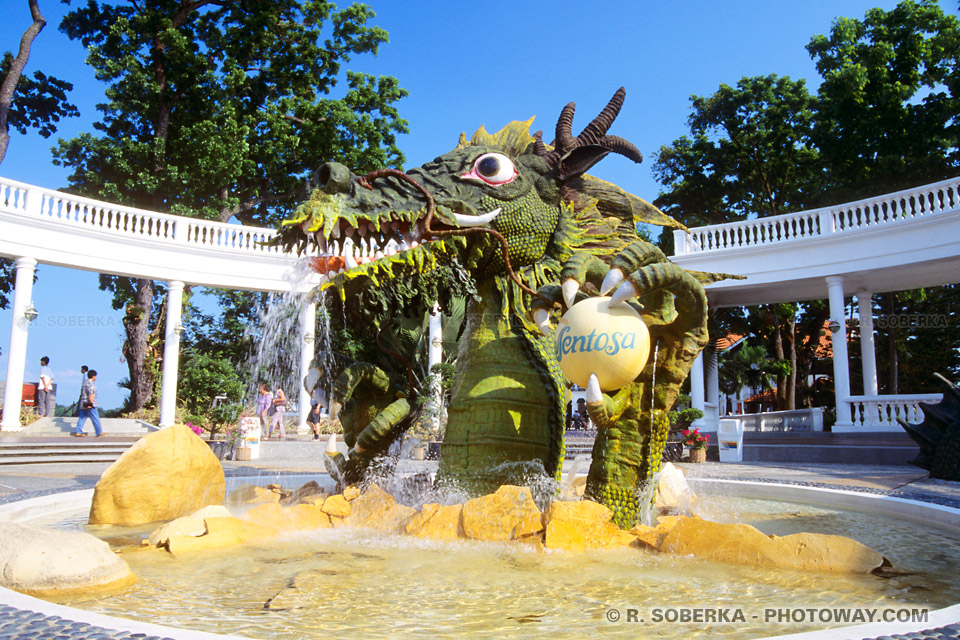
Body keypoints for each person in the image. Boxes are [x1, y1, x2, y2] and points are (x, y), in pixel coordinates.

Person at [74, 369, 103, 437]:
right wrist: (91, 403)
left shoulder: (85, 382)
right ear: (93, 376)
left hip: (83, 402)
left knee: (82, 417)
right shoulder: (91, 384)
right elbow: (91, 394)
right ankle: (99, 432)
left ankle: (78, 431)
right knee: (95, 417)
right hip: (89, 404)